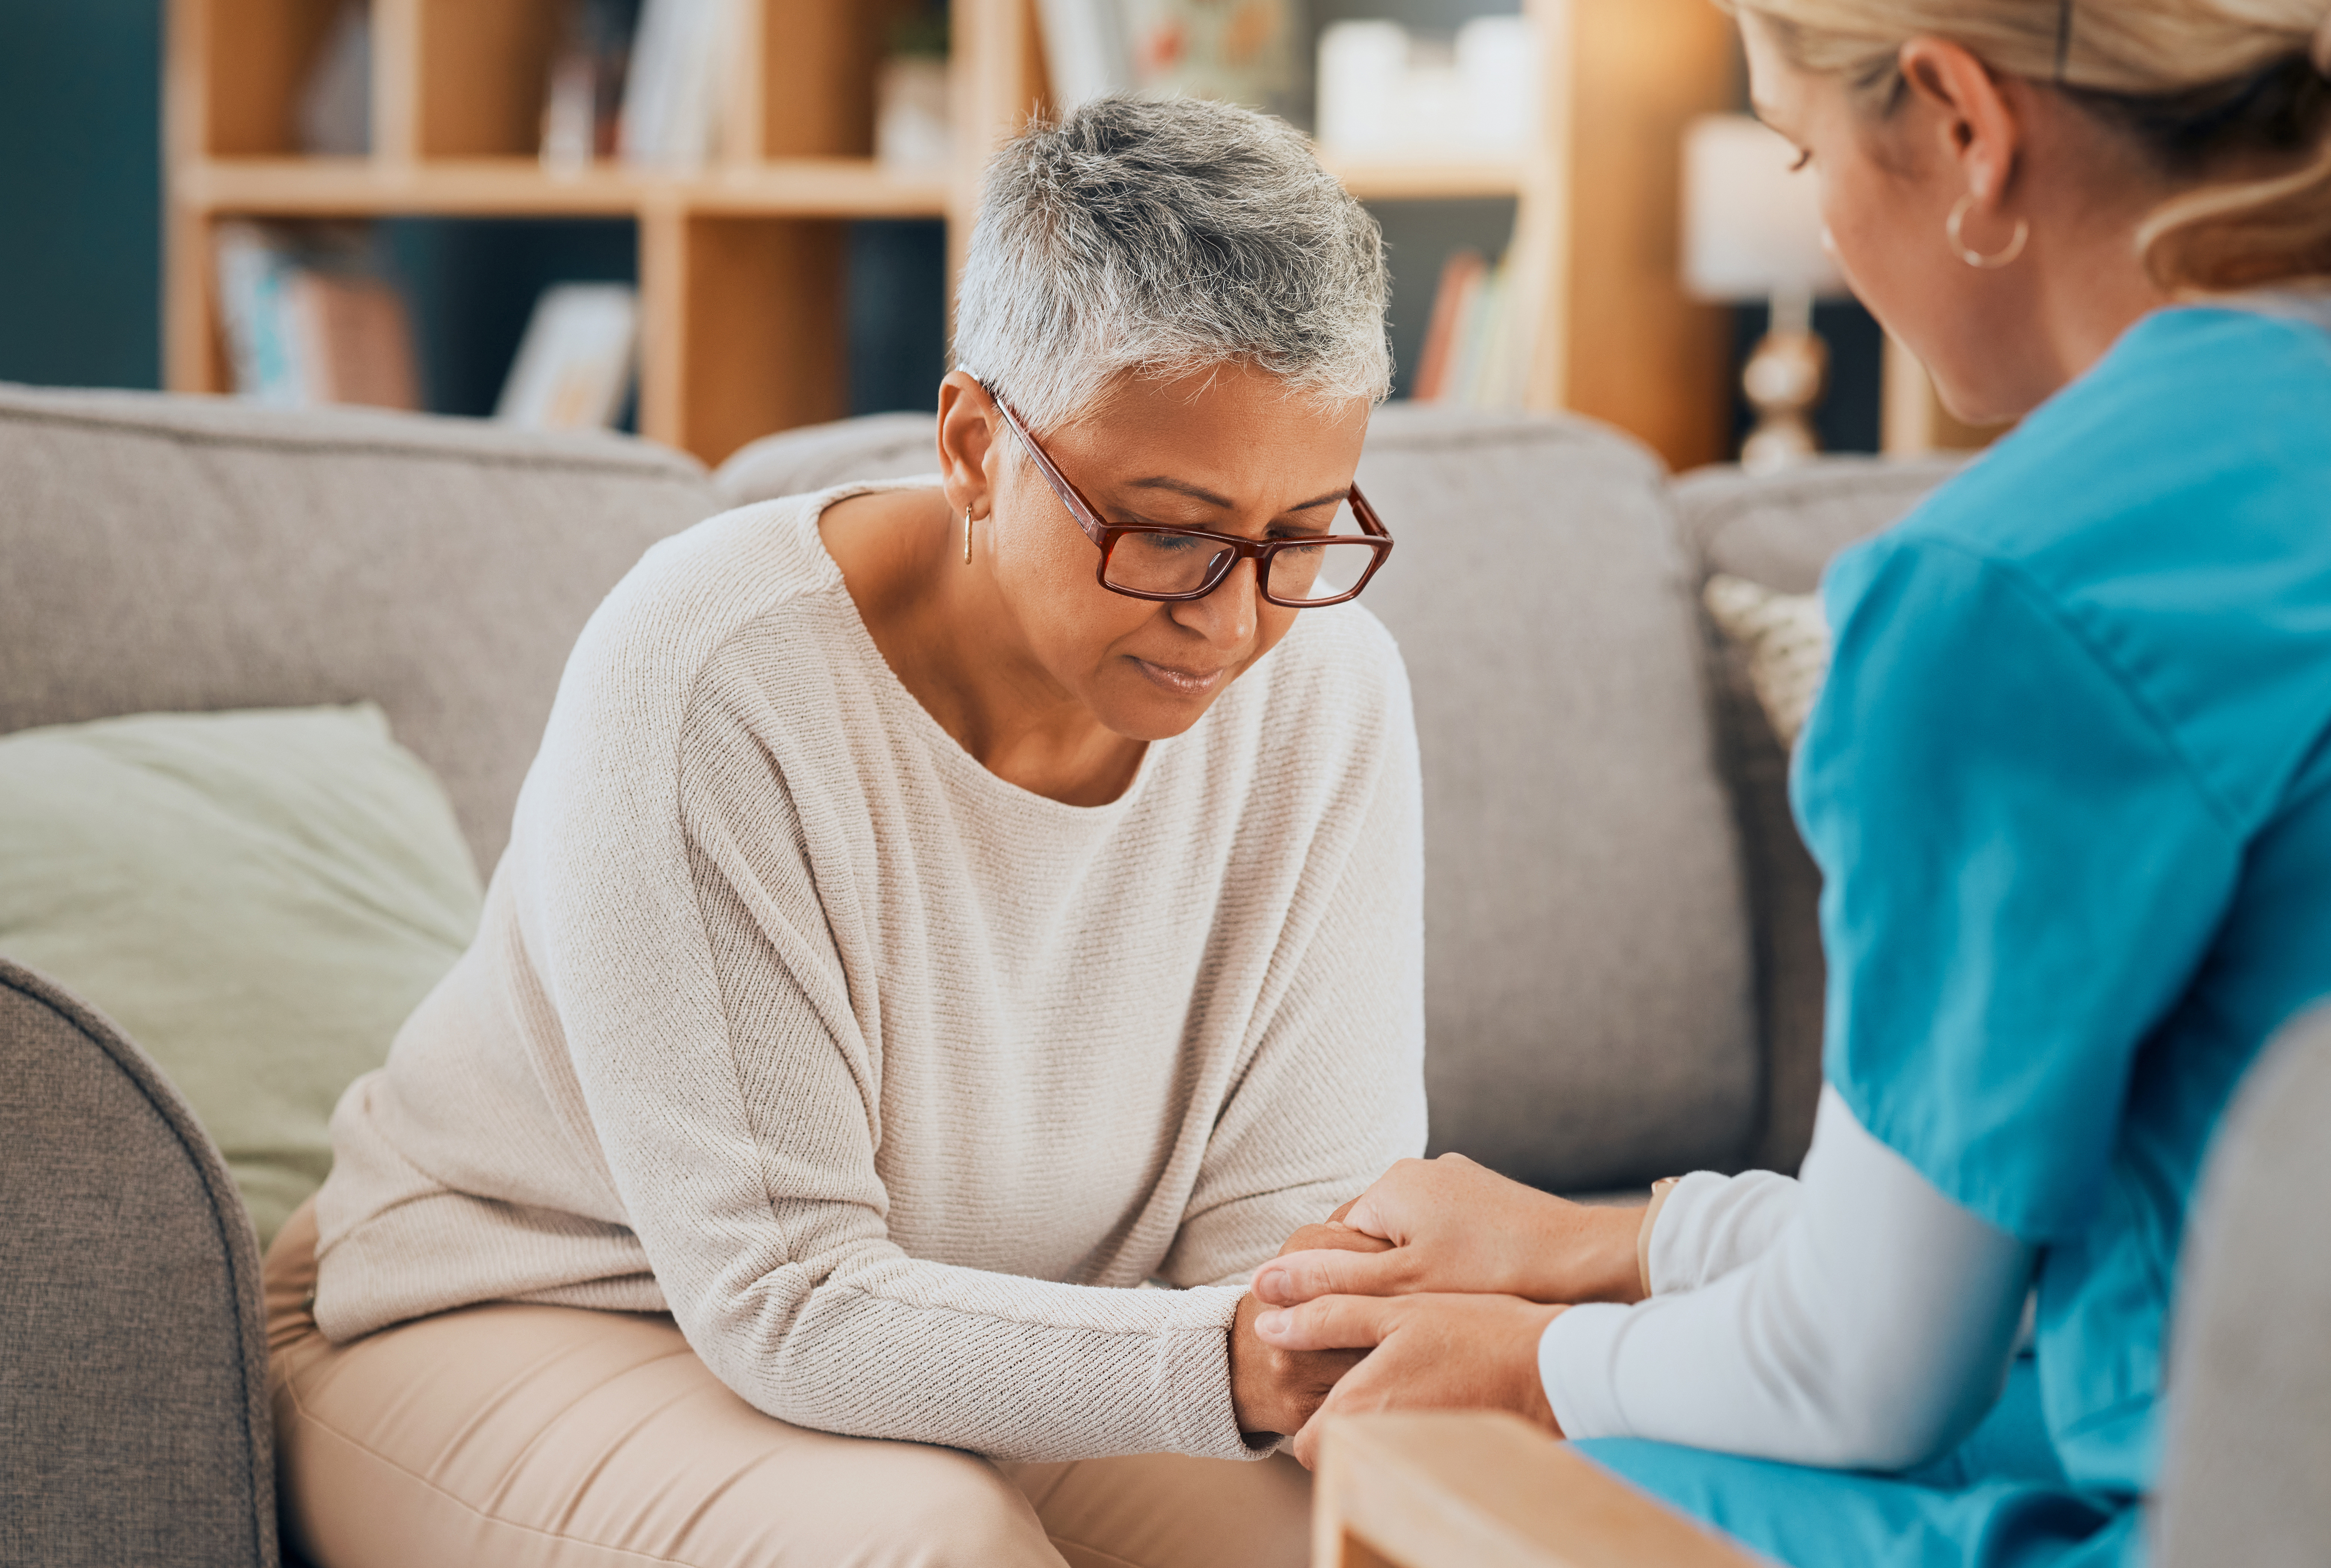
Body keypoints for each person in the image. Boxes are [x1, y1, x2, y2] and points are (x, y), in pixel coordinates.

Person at [264, 95, 1422, 1568]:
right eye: (1169, 530)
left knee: (1380, 1536)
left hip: (991, 1349)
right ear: (972, 444)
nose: (1234, 615)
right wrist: (1231, 1366)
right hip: (536, 1309)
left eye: (1302, 535)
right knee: (932, 1547)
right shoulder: (712, 675)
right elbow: (787, 1301)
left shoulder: (1325, 688)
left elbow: (1280, 1252)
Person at [1251, 3, 2331, 1564]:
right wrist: (1613, 1246)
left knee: (1426, 1486)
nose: (1818, 211)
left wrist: (1526, 1369)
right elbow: (2072, 1242)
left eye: (1800, 148)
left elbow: (1865, 1373)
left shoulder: (2003, 590)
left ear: (1966, 126)